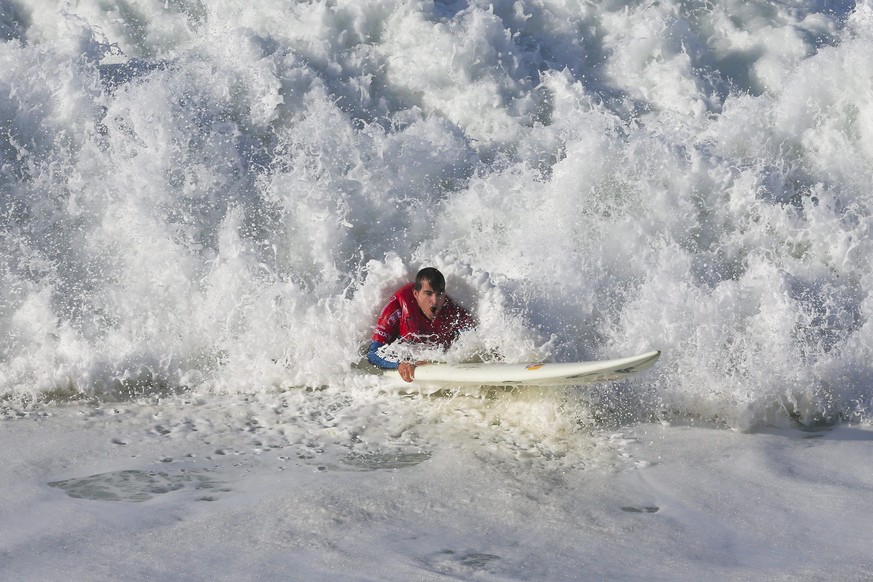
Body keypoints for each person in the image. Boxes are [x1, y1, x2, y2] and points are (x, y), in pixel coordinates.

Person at [367, 267, 475, 382]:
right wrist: (399, 364)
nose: (435, 301)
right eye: (428, 294)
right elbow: (373, 353)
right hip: (402, 351)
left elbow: (475, 341)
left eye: (439, 294)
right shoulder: (397, 308)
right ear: (416, 294)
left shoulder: (451, 310)